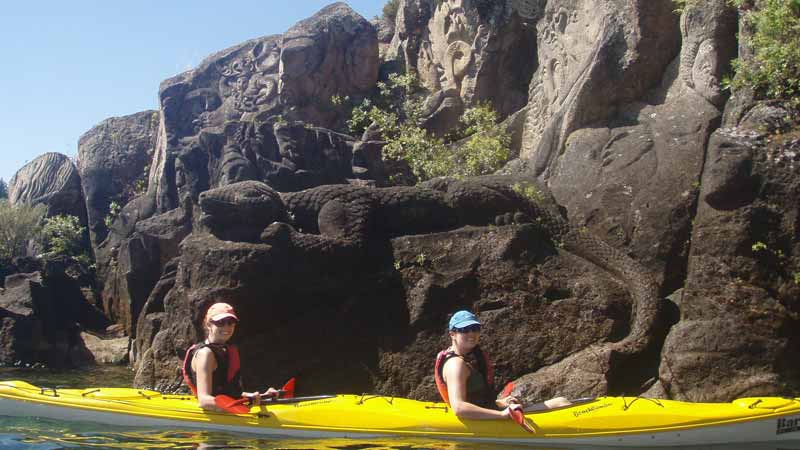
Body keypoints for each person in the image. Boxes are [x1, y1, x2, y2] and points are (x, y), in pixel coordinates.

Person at [434, 310, 571, 419]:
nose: (471, 333)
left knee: (561, 401)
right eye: (465, 330)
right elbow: (459, 408)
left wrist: (502, 402)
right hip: (481, 419)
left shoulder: (467, 357)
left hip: (489, 410)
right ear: (452, 334)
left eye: (475, 328)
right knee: (562, 403)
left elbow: (477, 399)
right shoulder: (455, 365)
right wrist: (502, 415)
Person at [182, 302, 278, 411]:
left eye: (231, 322)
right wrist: (241, 407)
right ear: (208, 324)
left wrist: (259, 396)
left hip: (224, 406)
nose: (226, 327)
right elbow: (204, 401)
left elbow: (225, 392)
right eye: (220, 322)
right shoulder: (205, 354)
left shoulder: (224, 350)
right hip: (213, 410)